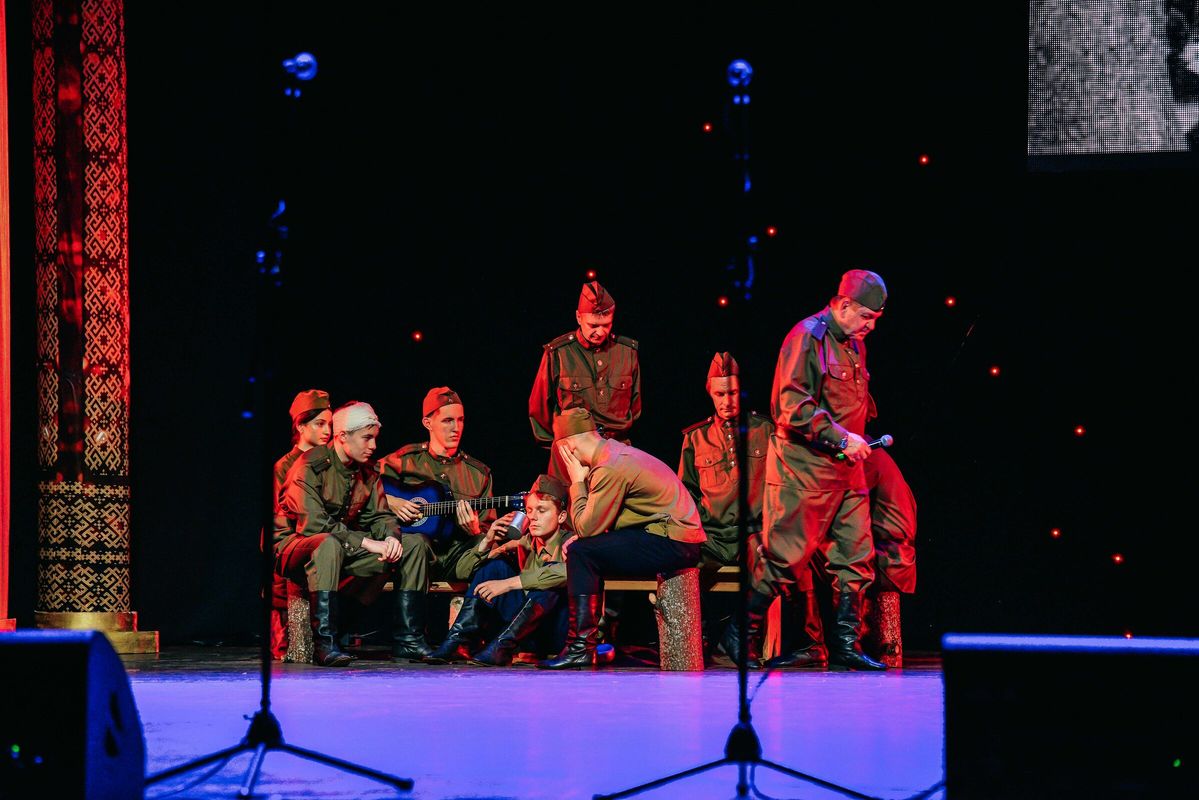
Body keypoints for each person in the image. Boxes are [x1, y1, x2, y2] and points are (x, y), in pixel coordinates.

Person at [722, 269, 890, 671]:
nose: (870, 326)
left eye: (875, 320)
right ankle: (740, 631)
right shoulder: (806, 338)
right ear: (844, 305)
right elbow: (791, 406)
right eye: (866, 316)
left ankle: (846, 645)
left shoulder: (854, 343)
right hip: (803, 471)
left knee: (856, 557)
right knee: (783, 558)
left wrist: (854, 441)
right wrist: (841, 438)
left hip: (846, 471)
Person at [677, 353, 827, 668]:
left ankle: (766, 642)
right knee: (679, 563)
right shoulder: (695, 438)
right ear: (710, 392)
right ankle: (697, 642)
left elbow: (786, 480)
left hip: (753, 531)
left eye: (732, 392)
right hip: (712, 535)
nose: (727, 401)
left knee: (783, 559)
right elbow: (685, 492)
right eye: (720, 394)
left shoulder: (764, 429)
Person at [538, 407, 706, 670]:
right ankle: (586, 644)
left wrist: (577, 482)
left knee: (582, 553)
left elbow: (586, 527)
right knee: (585, 549)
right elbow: (601, 524)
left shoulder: (609, 466)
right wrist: (585, 538)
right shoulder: (613, 453)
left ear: (568, 448)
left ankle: (580, 648)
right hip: (668, 535)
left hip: (675, 541)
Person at [275, 401, 404, 667]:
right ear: (343, 436)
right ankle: (325, 643)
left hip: (338, 546)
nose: (373, 446)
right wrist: (367, 542)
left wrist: (390, 537)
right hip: (293, 546)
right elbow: (313, 525)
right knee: (328, 543)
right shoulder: (310, 466)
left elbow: (380, 516)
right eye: (366, 438)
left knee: (408, 546)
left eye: (375, 438)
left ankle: (406, 639)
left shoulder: (367, 472)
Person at [379, 387, 498, 661]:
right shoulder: (404, 460)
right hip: (413, 556)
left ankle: (467, 640)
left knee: (492, 551)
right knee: (416, 542)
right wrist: (392, 501)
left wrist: (476, 531)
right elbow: (366, 487)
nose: (456, 427)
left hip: (455, 556)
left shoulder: (478, 473)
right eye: (447, 420)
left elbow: (487, 528)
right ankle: (408, 638)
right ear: (428, 422)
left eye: (461, 420)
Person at [423, 474, 572, 665]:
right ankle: (458, 642)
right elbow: (461, 572)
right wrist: (487, 540)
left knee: (548, 582)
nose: (533, 517)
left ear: (561, 516)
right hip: (523, 635)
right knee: (495, 567)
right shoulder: (523, 542)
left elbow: (567, 572)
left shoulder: (571, 542)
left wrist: (508, 584)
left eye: (541, 510)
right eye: (529, 510)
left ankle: (501, 647)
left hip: (556, 635)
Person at [528, 280, 641, 484]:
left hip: (617, 453)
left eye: (606, 325)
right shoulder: (559, 353)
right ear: (579, 317)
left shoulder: (627, 352)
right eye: (593, 325)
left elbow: (635, 405)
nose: (600, 332)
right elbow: (539, 410)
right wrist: (561, 446)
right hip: (571, 455)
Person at [269, 389, 333, 660]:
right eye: (319, 424)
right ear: (300, 426)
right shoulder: (285, 466)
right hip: (295, 540)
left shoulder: (331, 461)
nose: (327, 431)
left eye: (330, 424)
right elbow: (281, 519)